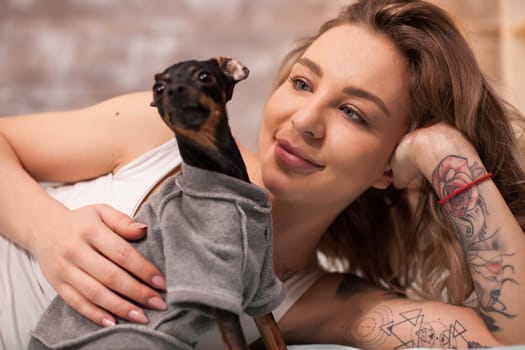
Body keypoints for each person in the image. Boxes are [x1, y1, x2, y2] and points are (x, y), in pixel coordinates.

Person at [1, 0, 524, 348]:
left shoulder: (316, 301)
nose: (305, 121)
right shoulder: (162, 135)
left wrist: (444, 152)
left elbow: (508, 337)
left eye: (354, 113)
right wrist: (48, 231)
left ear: (391, 164)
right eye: (302, 83)